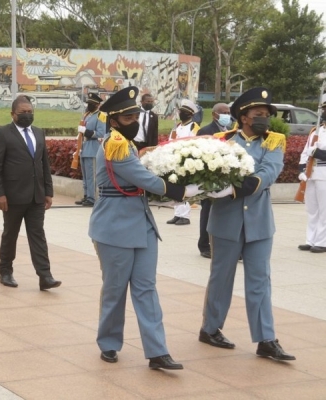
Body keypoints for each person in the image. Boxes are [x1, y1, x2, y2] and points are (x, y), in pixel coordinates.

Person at [89, 86, 202, 369]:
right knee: (115, 289)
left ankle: (157, 351)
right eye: (128, 118)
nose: (135, 121)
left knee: (146, 288)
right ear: (113, 121)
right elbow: (144, 179)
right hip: (114, 226)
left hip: (141, 224)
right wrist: (184, 191)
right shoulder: (114, 145)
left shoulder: (125, 144)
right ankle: (109, 343)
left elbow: (140, 168)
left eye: (135, 115)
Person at [200, 87, 295, 362]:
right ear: (244, 117)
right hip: (226, 222)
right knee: (221, 279)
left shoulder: (274, 141)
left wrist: (242, 185)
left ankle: (266, 339)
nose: (264, 119)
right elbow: (209, 174)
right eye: (259, 114)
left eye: (266, 114)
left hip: (259, 223)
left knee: (259, 282)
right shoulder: (223, 141)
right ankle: (210, 329)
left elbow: (270, 171)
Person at [0, 95, 61, 290]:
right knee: (10, 234)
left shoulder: (38, 133)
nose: (27, 115)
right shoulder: (3, 134)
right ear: (13, 114)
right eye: (23, 113)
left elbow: (44, 163)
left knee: (38, 235)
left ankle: (45, 275)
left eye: (30, 112)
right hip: (12, 196)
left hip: (36, 195)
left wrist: (48, 191)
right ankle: (6, 271)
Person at [196, 102, 232, 258]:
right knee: (207, 212)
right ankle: (204, 245)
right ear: (214, 114)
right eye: (223, 112)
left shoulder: (232, 131)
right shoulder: (205, 131)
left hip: (228, 178)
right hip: (210, 178)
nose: (226, 115)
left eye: (228, 112)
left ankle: (224, 245)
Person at [298, 101, 326, 253]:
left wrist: (317, 153)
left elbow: (314, 152)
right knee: (312, 209)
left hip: (324, 175)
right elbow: (305, 152)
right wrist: (301, 170)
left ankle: (322, 242)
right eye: (323, 109)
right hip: (311, 174)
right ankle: (311, 240)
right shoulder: (316, 130)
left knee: (324, 211)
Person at [166, 99, 200, 226]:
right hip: (175, 160)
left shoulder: (194, 127)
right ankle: (178, 214)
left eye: (184, 112)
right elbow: (170, 140)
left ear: (191, 114)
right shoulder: (177, 126)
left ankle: (185, 216)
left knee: (185, 188)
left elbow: (195, 143)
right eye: (181, 111)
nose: (181, 114)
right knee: (175, 187)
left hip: (187, 161)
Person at [75, 93, 105, 207]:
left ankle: (92, 198)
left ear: (97, 104)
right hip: (84, 148)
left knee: (92, 176)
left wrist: (86, 131)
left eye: (92, 104)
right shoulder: (87, 115)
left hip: (93, 149)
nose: (89, 105)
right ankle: (87, 195)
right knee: (86, 175)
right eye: (88, 103)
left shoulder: (101, 116)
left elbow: (101, 133)